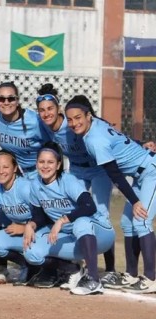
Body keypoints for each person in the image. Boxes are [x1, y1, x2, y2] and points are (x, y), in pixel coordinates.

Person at [65, 95, 156, 294]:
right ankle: (131, 274)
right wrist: (140, 144)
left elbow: (113, 173)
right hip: (140, 173)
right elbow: (121, 140)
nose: (74, 123)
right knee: (126, 223)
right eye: (70, 119)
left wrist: (135, 201)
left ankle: (151, 278)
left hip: (151, 171)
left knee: (141, 220)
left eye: (78, 117)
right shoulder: (97, 123)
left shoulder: (94, 140)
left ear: (89, 115)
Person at [35, 83, 115, 275]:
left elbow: (103, 128)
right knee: (74, 211)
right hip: (77, 170)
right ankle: (78, 262)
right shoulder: (45, 127)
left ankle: (110, 269)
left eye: (50, 109)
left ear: (59, 109)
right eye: (42, 111)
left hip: (97, 169)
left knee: (101, 216)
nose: (46, 114)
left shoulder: (70, 123)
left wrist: (138, 143)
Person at [23, 142, 115, 295]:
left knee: (80, 223)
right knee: (31, 251)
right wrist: (30, 224)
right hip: (73, 239)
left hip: (99, 234)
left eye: (50, 162)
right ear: (36, 163)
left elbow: (89, 206)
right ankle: (72, 269)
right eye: (41, 161)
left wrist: (62, 220)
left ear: (58, 164)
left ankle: (93, 279)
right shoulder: (35, 185)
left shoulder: (68, 180)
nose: (45, 166)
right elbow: (39, 215)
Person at [0, 150, 39, 285]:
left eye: (5, 167)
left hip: (39, 232)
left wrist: (24, 227)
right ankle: (26, 265)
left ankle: (66, 268)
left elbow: (45, 215)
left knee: (36, 253)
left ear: (15, 169)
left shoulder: (25, 187)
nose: (0, 171)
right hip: (24, 235)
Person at [0, 81, 51, 179]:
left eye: (11, 99)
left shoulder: (34, 122)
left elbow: (53, 145)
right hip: (14, 174)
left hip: (38, 173)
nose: (6, 103)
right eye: (1, 99)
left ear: (17, 101)